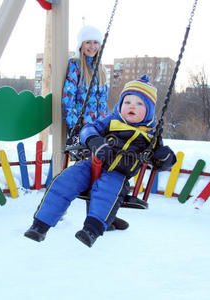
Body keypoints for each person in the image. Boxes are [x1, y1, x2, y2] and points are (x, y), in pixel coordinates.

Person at [24, 75, 177, 247]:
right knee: (64, 181)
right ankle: (40, 225)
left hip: (118, 175)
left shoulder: (151, 136)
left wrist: (165, 157)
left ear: (149, 110)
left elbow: (164, 161)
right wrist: (94, 140)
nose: (132, 106)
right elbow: (88, 129)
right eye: (127, 102)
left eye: (139, 103)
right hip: (91, 165)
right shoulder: (111, 121)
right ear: (120, 105)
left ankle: (91, 230)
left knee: (108, 193)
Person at [62, 25, 128, 231]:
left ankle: (106, 215)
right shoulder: (75, 66)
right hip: (84, 130)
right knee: (92, 173)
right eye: (88, 42)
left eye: (95, 42)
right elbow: (67, 100)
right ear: (81, 44)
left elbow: (104, 104)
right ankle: (96, 219)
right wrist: (77, 128)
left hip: (101, 129)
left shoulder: (101, 69)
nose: (92, 46)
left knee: (108, 169)